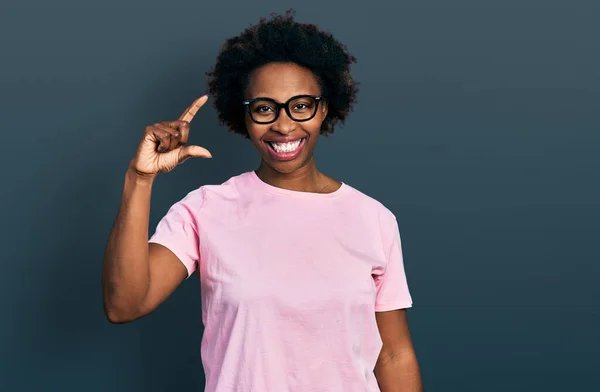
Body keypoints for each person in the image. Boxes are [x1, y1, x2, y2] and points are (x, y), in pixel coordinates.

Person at [102, 10, 423, 392]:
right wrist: (139, 179)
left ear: (323, 109)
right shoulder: (206, 209)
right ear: (246, 116)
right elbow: (124, 304)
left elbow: (393, 355)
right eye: (265, 108)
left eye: (301, 105)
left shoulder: (373, 219)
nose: (284, 125)